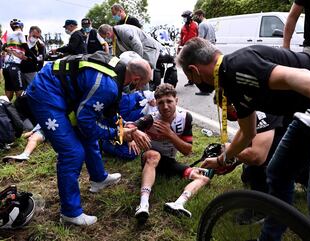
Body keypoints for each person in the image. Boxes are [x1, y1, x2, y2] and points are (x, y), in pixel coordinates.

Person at [177, 37, 310, 241]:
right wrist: (221, 159)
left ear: (193, 70)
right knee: (278, 172)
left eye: (189, 77)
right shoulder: (229, 81)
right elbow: (247, 134)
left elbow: (299, 76)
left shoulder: (238, 65)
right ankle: (269, 238)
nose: (192, 82)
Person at [25, 51, 153, 226]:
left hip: (59, 90)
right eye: (142, 85)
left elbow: (106, 110)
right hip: (45, 94)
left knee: (88, 137)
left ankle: (98, 178)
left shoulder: (118, 68)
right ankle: (70, 213)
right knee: (72, 152)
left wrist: (123, 125)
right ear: (136, 79)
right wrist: (117, 134)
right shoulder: (108, 86)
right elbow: (86, 120)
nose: (139, 90)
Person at [134, 83, 210, 223]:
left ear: (176, 100)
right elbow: (129, 127)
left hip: (168, 162)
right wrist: (135, 133)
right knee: (154, 155)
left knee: (203, 178)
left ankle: (178, 204)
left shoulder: (185, 117)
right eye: (161, 103)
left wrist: (170, 135)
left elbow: (187, 151)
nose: (165, 106)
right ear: (156, 104)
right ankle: (143, 204)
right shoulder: (151, 118)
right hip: (150, 160)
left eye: (169, 101)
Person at [98, 24, 164, 69]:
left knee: (141, 72)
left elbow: (137, 46)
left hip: (148, 48)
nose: (105, 40)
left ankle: (144, 90)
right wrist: (111, 65)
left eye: (104, 38)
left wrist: (136, 64)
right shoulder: (116, 37)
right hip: (141, 49)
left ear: (108, 34)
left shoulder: (124, 31)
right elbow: (118, 55)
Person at [2, 19, 30, 101]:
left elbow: (3, 47)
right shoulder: (20, 33)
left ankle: (3, 110)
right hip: (14, 66)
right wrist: (32, 58)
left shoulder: (9, 36)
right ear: (21, 26)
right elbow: (26, 48)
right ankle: (21, 112)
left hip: (6, 67)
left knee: (9, 92)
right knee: (20, 92)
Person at [192, 9, 217, 96]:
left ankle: (204, 90)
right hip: (213, 48)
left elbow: (200, 40)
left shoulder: (202, 25)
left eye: (196, 16)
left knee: (200, 70)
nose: (195, 18)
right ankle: (210, 88)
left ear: (201, 15)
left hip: (205, 49)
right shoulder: (210, 23)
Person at [179, 10, 198, 87]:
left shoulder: (195, 25)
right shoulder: (183, 27)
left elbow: (199, 35)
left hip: (194, 48)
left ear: (190, 17)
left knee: (195, 65)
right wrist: (179, 48)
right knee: (186, 65)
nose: (184, 19)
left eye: (185, 17)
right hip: (186, 48)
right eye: (183, 17)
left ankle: (197, 79)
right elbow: (181, 39)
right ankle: (190, 80)